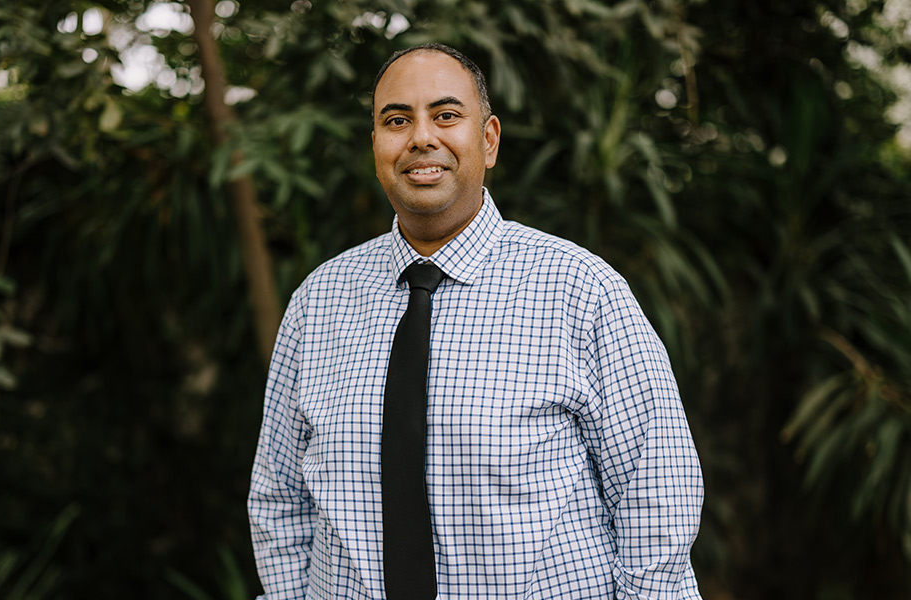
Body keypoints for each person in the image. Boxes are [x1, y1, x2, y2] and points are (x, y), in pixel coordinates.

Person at [247, 43, 703, 599]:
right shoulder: (318, 302)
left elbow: (657, 494)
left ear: (487, 140)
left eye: (445, 115)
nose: (420, 138)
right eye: (397, 120)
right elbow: (279, 500)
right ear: (376, 147)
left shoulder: (581, 292)